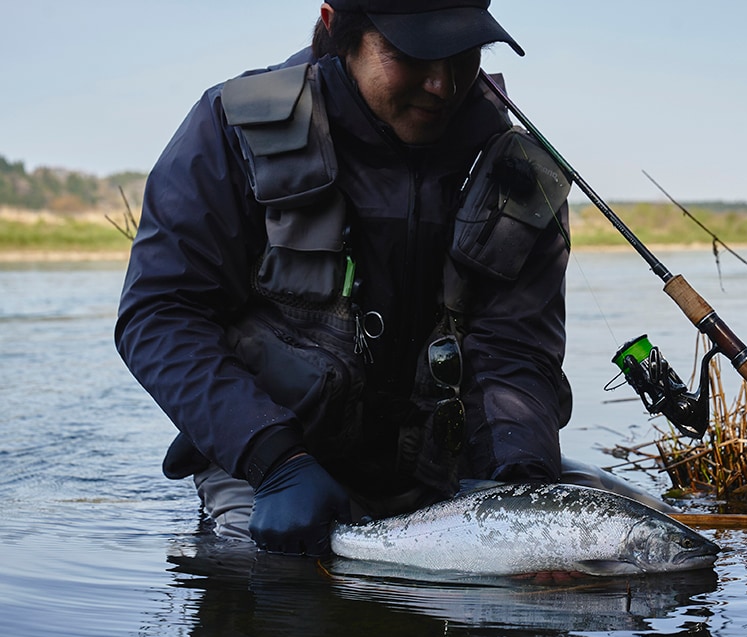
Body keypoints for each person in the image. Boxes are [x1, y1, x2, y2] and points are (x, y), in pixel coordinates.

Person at [115, 0, 574, 557]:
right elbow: (160, 315)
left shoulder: (518, 169)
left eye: (464, 53)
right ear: (337, 29)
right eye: (411, 53)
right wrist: (274, 458)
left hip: (451, 471)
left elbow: (516, 347)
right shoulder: (231, 126)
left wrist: (516, 475)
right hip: (272, 470)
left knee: (616, 550)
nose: (442, 83)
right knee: (266, 581)